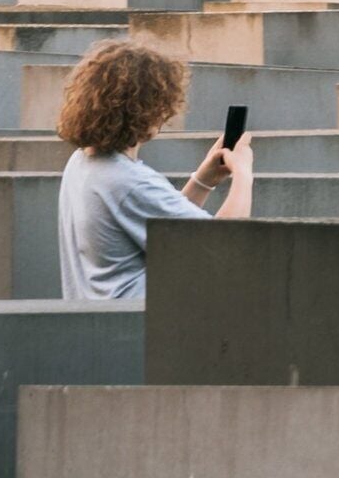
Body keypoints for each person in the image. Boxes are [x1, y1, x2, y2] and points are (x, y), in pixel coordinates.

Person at [54, 37, 250, 302]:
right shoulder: (127, 181)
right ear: (145, 110)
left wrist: (203, 181)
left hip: (105, 325)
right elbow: (224, 244)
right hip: (144, 329)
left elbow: (164, 226)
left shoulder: (81, 163)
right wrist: (243, 175)